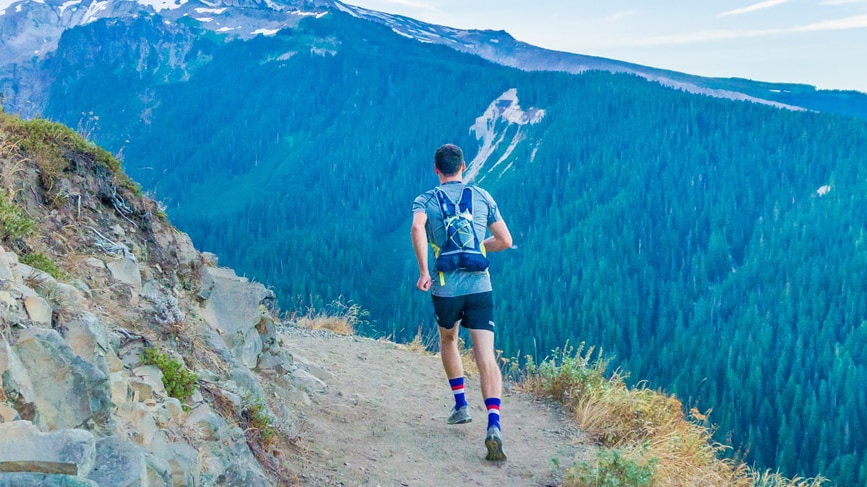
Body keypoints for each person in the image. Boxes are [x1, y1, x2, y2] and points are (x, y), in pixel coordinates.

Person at [410, 143, 513, 461]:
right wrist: (479, 247)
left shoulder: (425, 199)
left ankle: (461, 404)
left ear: (436, 169)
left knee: (449, 339)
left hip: (446, 288)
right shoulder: (482, 197)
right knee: (486, 355)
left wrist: (425, 270)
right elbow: (506, 241)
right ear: (463, 167)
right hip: (480, 286)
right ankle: (493, 424)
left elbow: (416, 227)